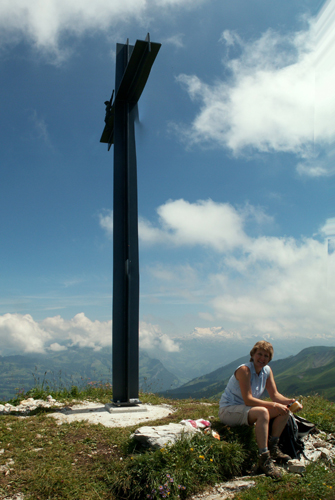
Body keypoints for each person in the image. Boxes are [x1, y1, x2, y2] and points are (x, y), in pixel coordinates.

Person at [219, 340, 299, 479]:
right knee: (263, 412)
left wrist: (290, 402)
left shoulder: (266, 371)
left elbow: (274, 395)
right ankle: (264, 458)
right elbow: (248, 400)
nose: (262, 359)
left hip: (247, 410)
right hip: (229, 410)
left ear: (270, 358)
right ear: (253, 354)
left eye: (266, 356)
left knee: (285, 410)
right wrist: (274, 405)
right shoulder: (244, 370)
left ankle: (273, 447)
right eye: (260, 354)